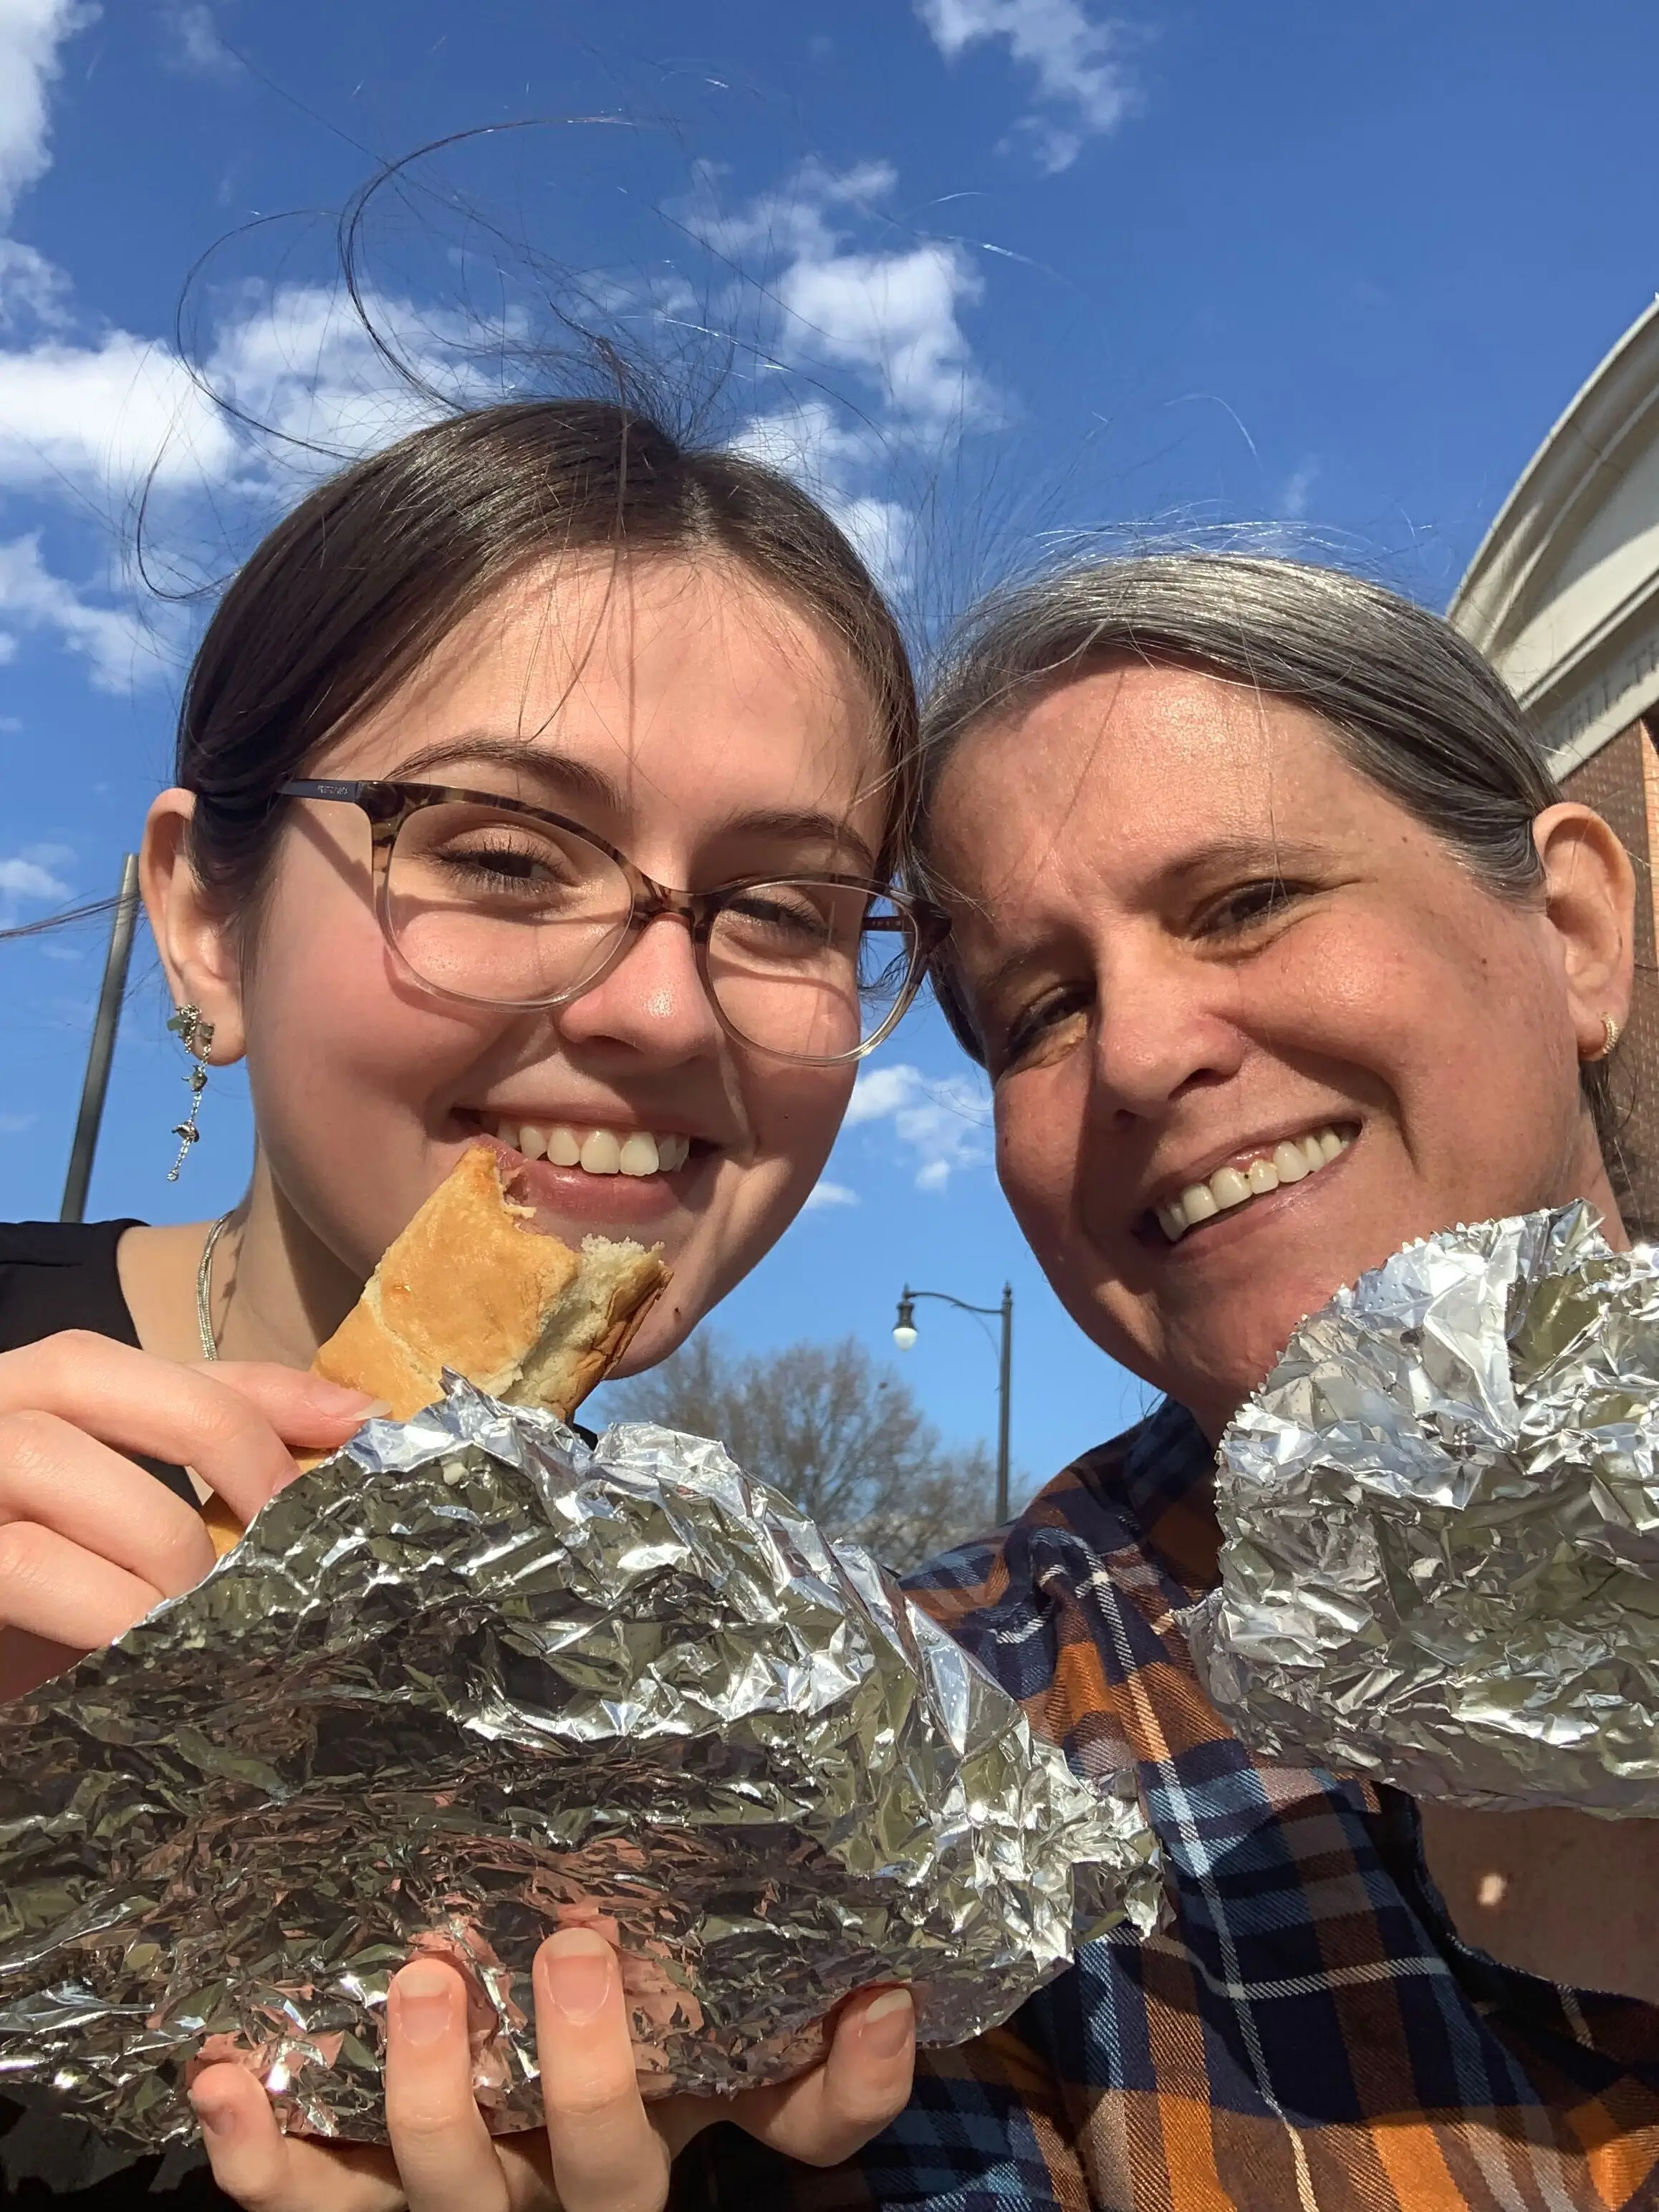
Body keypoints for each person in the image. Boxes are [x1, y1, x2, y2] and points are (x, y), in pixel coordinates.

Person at [0, 396, 940, 2211]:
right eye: (503, 853)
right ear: (206, 917)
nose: (665, 1011)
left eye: (782, 905)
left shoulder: (758, 1797)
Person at [695, 551, 1659, 2211]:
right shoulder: (932, 1758)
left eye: (1244, 902)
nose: (1140, 1052)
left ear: (1573, 928)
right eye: (1041, 1008)